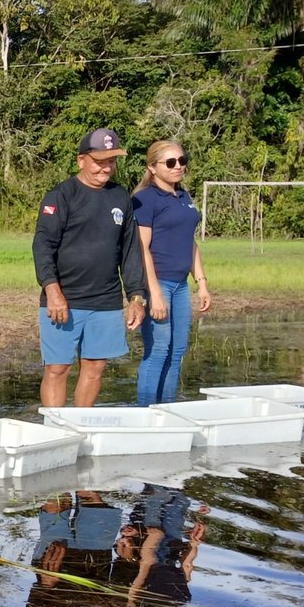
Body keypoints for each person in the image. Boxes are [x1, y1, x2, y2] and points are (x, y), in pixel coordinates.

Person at [34, 127, 149, 407]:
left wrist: (136, 297)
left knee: (95, 368)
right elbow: (43, 245)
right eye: (99, 161)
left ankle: (80, 423)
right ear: (81, 160)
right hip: (64, 299)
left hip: (106, 300)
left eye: (111, 161)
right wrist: (53, 291)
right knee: (57, 368)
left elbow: (130, 250)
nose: (106, 168)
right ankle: (56, 427)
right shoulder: (61, 195)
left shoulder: (120, 197)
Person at [133, 140, 212, 405]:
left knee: (177, 351)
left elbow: (190, 242)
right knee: (158, 350)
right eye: (170, 162)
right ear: (152, 167)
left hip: (180, 285)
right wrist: (154, 293)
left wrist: (201, 283)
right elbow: (142, 248)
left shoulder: (184, 196)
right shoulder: (144, 200)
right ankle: (146, 411)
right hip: (158, 283)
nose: (178, 166)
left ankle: (167, 409)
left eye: (182, 160)